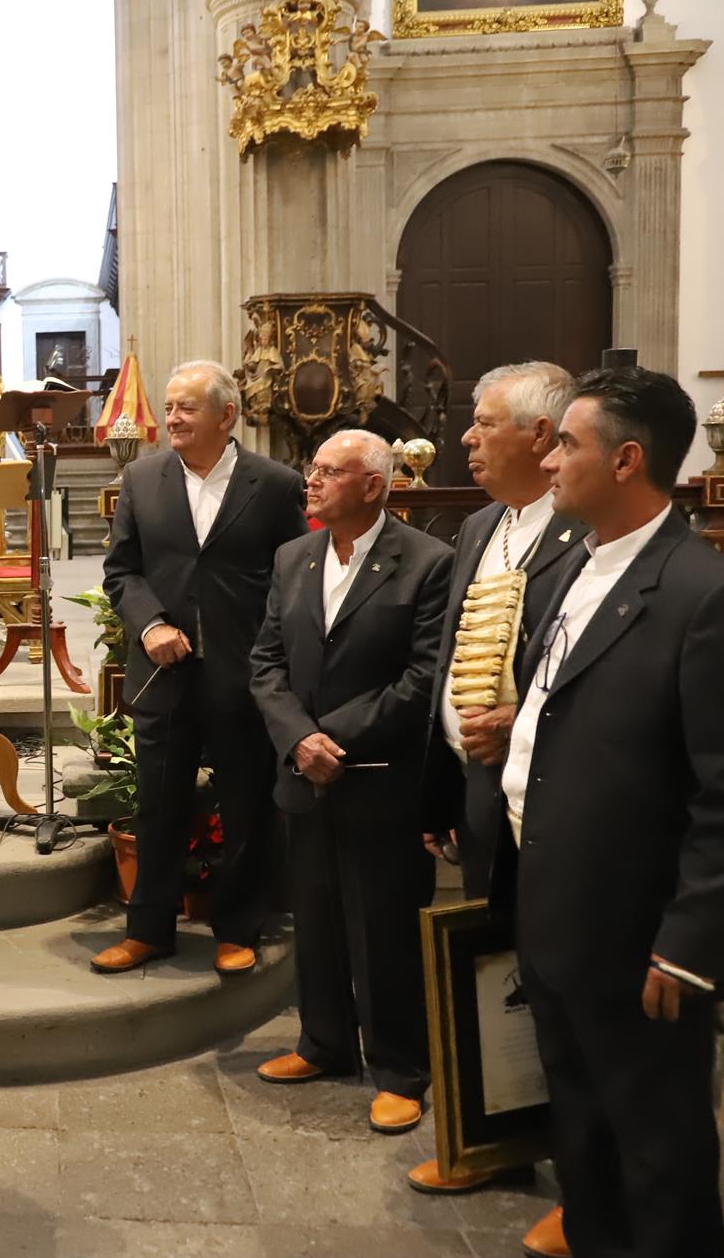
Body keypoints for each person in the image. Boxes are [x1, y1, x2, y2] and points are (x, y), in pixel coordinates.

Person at [498, 368, 724, 1258]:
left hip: (640, 943)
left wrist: (688, 943)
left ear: (626, 460)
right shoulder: (567, 572)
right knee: (581, 1145)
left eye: (566, 444)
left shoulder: (706, 596)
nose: (547, 459)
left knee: (657, 1161)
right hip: (557, 918)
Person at [407, 363, 586, 1242]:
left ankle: (578, 1176)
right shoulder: (479, 524)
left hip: (546, 794)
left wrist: (520, 718)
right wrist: (439, 789)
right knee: (491, 971)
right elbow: (447, 661)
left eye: (482, 425)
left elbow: (576, 671)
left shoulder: (580, 534)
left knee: (549, 978)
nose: (465, 440)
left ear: (539, 437)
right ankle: (496, 1140)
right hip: (477, 787)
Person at [247, 429, 451, 1134]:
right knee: (317, 914)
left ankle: (399, 1068)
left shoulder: (425, 562)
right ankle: (323, 1042)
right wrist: (298, 738)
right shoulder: (291, 556)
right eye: (312, 470)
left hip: (379, 777)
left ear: (372, 485)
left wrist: (336, 734)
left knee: (383, 926)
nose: (311, 481)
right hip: (306, 772)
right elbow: (264, 662)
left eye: (329, 472)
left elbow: (424, 677)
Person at [94, 360, 307, 977]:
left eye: (188, 407)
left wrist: (269, 653)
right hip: (165, 672)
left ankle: (238, 928)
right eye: (170, 406)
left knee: (246, 807)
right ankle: (149, 930)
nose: (173, 417)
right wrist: (152, 622)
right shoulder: (141, 477)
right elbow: (121, 570)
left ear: (227, 416)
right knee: (158, 804)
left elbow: (293, 576)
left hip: (244, 676)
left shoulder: (274, 484)